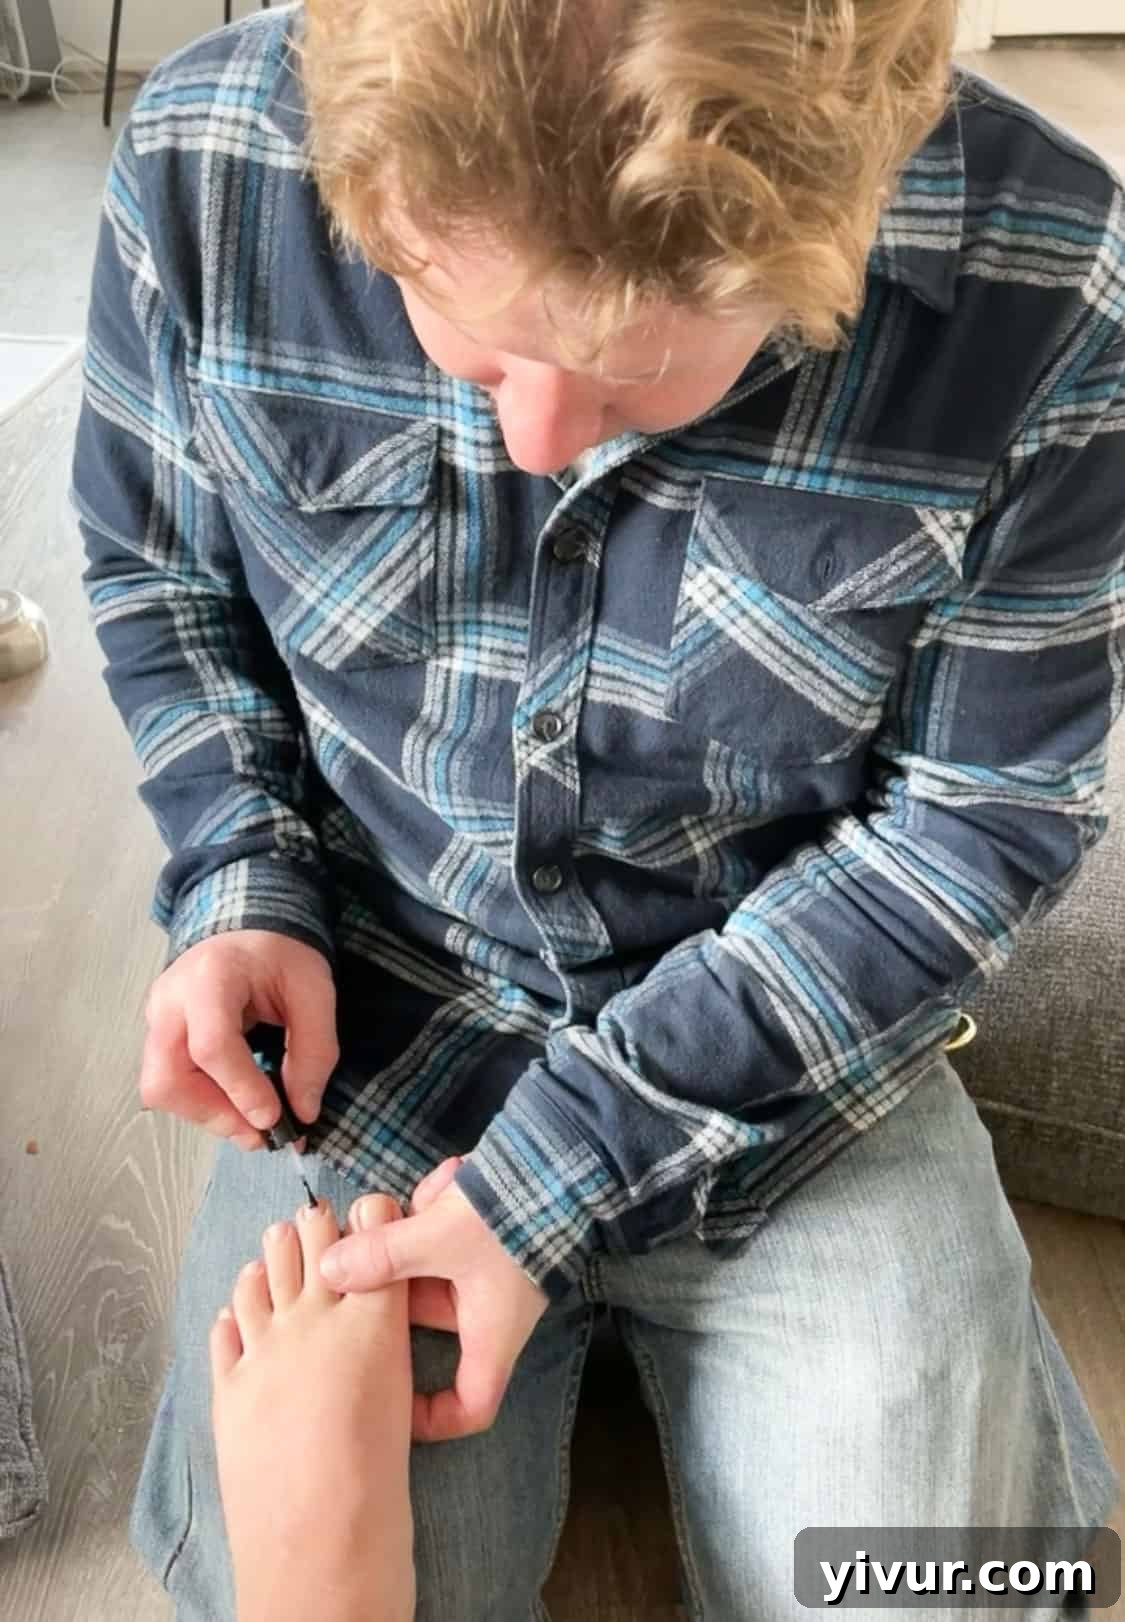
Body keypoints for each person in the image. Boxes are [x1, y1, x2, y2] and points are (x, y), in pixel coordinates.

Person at [72, 0, 1124, 1617]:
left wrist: (554, 1172)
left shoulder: (1045, 282)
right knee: (320, 1554)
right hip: (380, 1033)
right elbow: (162, 573)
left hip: (790, 1068)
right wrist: (239, 877)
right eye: (459, 332)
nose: (535, 437)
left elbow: (974, 821)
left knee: (932, 1581)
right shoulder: (208, 161)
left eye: (637, 378)